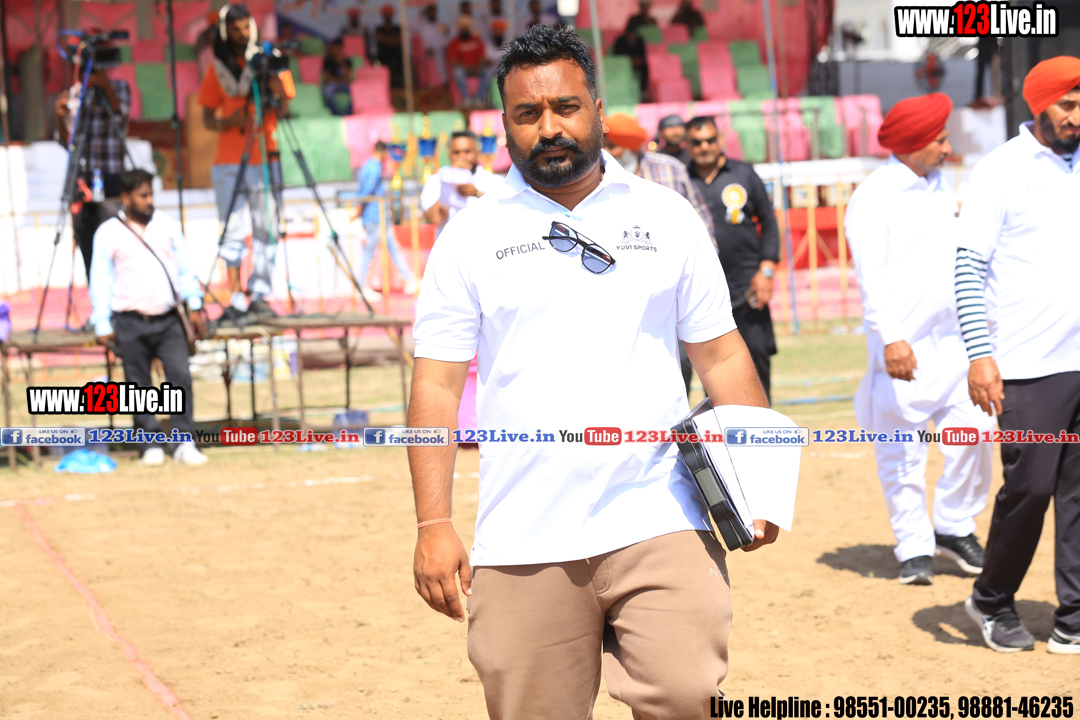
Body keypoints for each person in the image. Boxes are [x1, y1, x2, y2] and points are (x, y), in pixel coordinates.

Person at [408, 25, 777, 719]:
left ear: (597, 110)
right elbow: (436, 382)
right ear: (506, 125)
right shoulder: (471, 237)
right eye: (528, 113)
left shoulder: (666, 217)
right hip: (523, 535)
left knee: (687, 697)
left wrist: (760, 477)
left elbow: (723, 354)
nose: (549, 128)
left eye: (566, 107)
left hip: (660, 514)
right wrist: (433, 521)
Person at [956, 56, 1080, 654]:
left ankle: (1073, 614)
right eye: (1067, 105)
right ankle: (992, 598)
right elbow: (967, 268)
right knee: (1030, 489)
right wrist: (980, 355)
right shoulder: (1000, 170)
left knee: (1079, 493)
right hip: (1027, 364)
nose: (1077, 117)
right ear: (1038, 104)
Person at [845, 93, 995, 587]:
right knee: (901, 452)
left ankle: (954, 524)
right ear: (913, 143)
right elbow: (870, 276)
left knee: (975, 431)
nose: (947, 149)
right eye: (940, 140)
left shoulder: (939, 187)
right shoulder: (875, 195)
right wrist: (891, 338)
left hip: (955, 343)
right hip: (903, 347)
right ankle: (913, 546)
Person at [89, 169, 208, 467]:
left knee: (179, 378)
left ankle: (183, 442)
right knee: (138, 386)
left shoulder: (166, 225)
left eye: (151, 194)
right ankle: (150, 445)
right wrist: (101, 322)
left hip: (168, 320)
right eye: (143, 196)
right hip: (129, 321)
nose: (149, 201)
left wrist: (194, 305)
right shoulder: (107, 233)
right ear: (126, 198)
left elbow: (184, 268)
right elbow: (100, 280)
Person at [604, 112, 715, 398]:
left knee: (694, 360)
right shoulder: (596, 180)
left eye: (615, 146)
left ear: (631, 147)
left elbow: (701, 222)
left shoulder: (671, 169)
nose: (609, 153)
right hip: (622, 292)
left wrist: (705, 275)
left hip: (677, 286)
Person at [198, 4, 295, 320]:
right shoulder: (218, 70)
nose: (242, 34)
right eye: (235, 29)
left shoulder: (268, 61)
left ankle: (261, 293)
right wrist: (230, 121)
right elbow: (207, 118)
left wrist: (277, 87)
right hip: (229, 159)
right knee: (232, 229)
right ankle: (236, 297)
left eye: (245, 27)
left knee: (267, 227)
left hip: (265, 156)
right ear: (226, 32)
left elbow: (286, 110)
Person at [686, 115, 779, 399]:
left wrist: (766, 271)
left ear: (720, 140)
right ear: (689, 145)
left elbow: (769, 221)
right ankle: (721, 425)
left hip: (747, 286)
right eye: (697, 142)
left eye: (710, 140)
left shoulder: (743, 173)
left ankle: (761, 421)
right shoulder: (683, 179)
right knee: (712, 367)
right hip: (702, 290)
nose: (704, 147)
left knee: (756, 356)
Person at [56, 60, 131, 278]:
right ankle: (96, 293)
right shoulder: (76, 94)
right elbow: (67, 142)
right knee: (88, 246)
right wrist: (59, 115)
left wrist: (104, 85)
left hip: (112, 178)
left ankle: (120, 294)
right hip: (83, 182)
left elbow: (120, 116)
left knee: (117, 243)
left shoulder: (119, 87)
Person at [354, 142, 419, 300]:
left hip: (379, 216)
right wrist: (358, 209)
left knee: (393, 249)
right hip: (374, 216)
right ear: (382, 152)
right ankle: (362, 286)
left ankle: (409, 279)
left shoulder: (368, 166)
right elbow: (366, 192)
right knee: (370, 252)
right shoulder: (374, 167)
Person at [420, 130, 504, 231]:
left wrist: (477, 194)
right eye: (456, 152)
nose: (462, 157)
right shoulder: (436, 181)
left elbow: (503, 215)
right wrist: (449, 187)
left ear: (477, 152)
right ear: (449, 154)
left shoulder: (494, 181)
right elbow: (435, 219)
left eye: (467, 152)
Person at [447, 16, 495, 109]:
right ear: (459, 29)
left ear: (469, 29)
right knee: (457, 72)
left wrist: (478, 67)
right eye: (463, 28)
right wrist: (466, 68)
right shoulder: (454, 43)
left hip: (476, 68)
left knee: (489, 72)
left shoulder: (477, 40)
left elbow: (481, 57)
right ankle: (466, 99)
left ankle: (478, 98)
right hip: (463, 69)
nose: (465, 30)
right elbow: (453, 61)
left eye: (466, 28)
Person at [415, 3, 450, 85]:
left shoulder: (441, 24)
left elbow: (446, 39)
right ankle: (428, 83)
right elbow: (408, 24)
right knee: (426, 60)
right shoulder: (422, 25)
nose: (432, 13)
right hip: (426, 51)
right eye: (430, 11)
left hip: (440, 50)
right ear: (427, 13)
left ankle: (444, 81)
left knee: (441, 56)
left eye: (433, 11)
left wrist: (441, 47)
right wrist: (420, 16)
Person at [372, 4, 405, 89]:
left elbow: (399, 40)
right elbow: (379, 38)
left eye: (389, 14)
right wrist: (392, 40)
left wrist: (385, 39)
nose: (387, 16)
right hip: (383, 57)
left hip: (397, 58)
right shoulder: (379, 29)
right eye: (386, 14)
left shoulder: (398, 28)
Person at [611, 20, 647, 92]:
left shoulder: (639, 40)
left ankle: (643, 90)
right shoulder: (620, 40)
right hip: (622, 63)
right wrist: (628, 60)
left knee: (645, 66)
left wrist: (637, 60)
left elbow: (642, 54)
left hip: (636, 63)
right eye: (631, 33)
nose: (632, 35)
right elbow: (617, 55)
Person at [321, 37, 353, 115]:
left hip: (344, 85)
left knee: (357, 91)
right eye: (335, 48)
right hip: (332, 85)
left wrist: (342, 63)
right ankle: (335, 113)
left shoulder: (347, 61)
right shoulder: (328, 61)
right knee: (327, 91)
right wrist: (341, 80)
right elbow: (328, 78)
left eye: (339, 48)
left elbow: (347, 78)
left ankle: (346, 113)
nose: (337, 50)